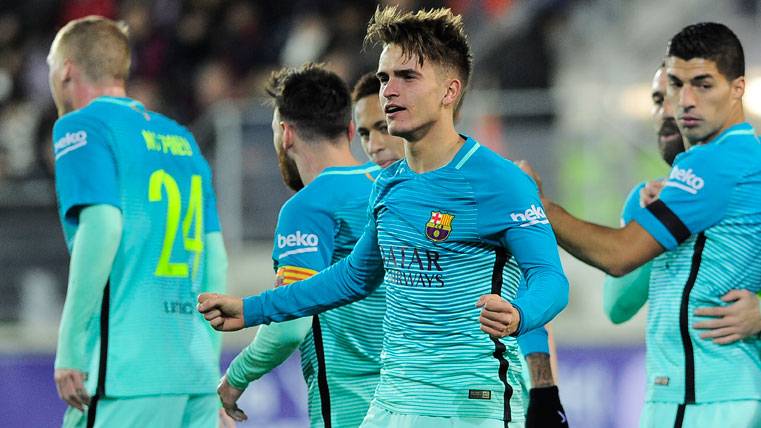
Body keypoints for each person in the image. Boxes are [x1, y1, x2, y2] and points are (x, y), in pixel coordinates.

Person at [199, 6, 569, 428]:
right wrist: (253, 309)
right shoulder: (389, 183)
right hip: (391, 403)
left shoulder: (499, 181)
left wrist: (520, 313)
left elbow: (551, 280)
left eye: (407, 77)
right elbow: (354, 276)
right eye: (383, 78)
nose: (389, 91)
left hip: (465, 404)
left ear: (449, 92)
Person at [517, 23, 761, 427]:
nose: (681, 104)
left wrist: (538, 208)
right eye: (669, 91)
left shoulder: (720, 162)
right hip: (682, 396)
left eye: (702, 85)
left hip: (711, 397)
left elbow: (618, 255)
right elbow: (617, 305)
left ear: (738, 87)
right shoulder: (677, 186)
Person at [49, 16, 226, 427]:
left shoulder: (82, 127)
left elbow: (103, 227)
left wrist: (71, 347)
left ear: (66, 70)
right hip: (194, 374)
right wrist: (205, 364)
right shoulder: (184, 138)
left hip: (126, 375)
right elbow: (215, 259)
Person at [216, 64, 385, 428]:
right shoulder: (392, 185)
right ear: (352, 130)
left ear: (286, 134)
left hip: (352, 411)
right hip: (415, 404)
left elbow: (290, 326)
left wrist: (234, 380)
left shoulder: (309, 206)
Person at [603, 64, 761, 344]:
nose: (665, 112)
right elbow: (617, 308)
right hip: (676, 383)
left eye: (675, 99)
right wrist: (662, 224)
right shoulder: (646, 200)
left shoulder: (750, 180)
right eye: (657, 100)